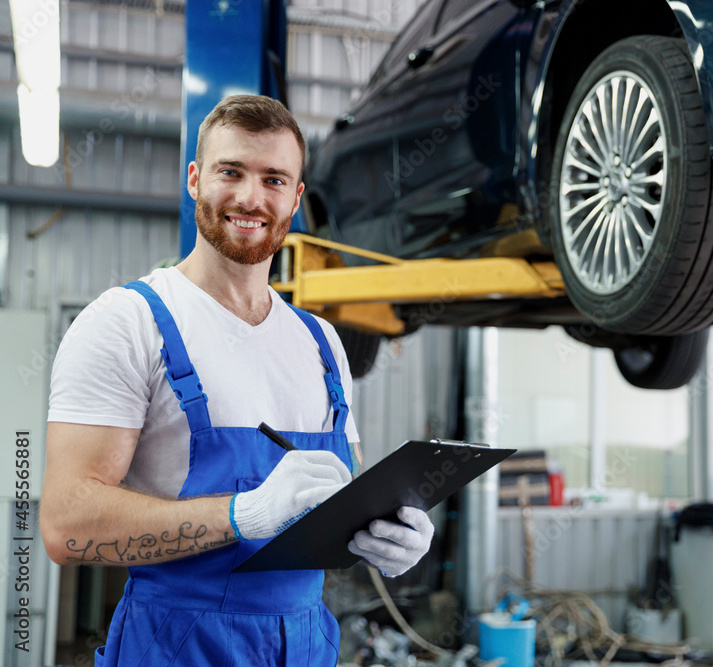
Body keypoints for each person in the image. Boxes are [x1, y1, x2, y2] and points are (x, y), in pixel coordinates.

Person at [40, 94, 434, 666]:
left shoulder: (322, 343)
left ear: (296, 198)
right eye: (232, 172)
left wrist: (388, 535)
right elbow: (65, 526)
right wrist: (241, 516)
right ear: (196, 179)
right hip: (178, 646)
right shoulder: (127, 323)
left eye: (274, 179)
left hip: (305, 645)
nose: (252, 198)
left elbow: (341, 494)